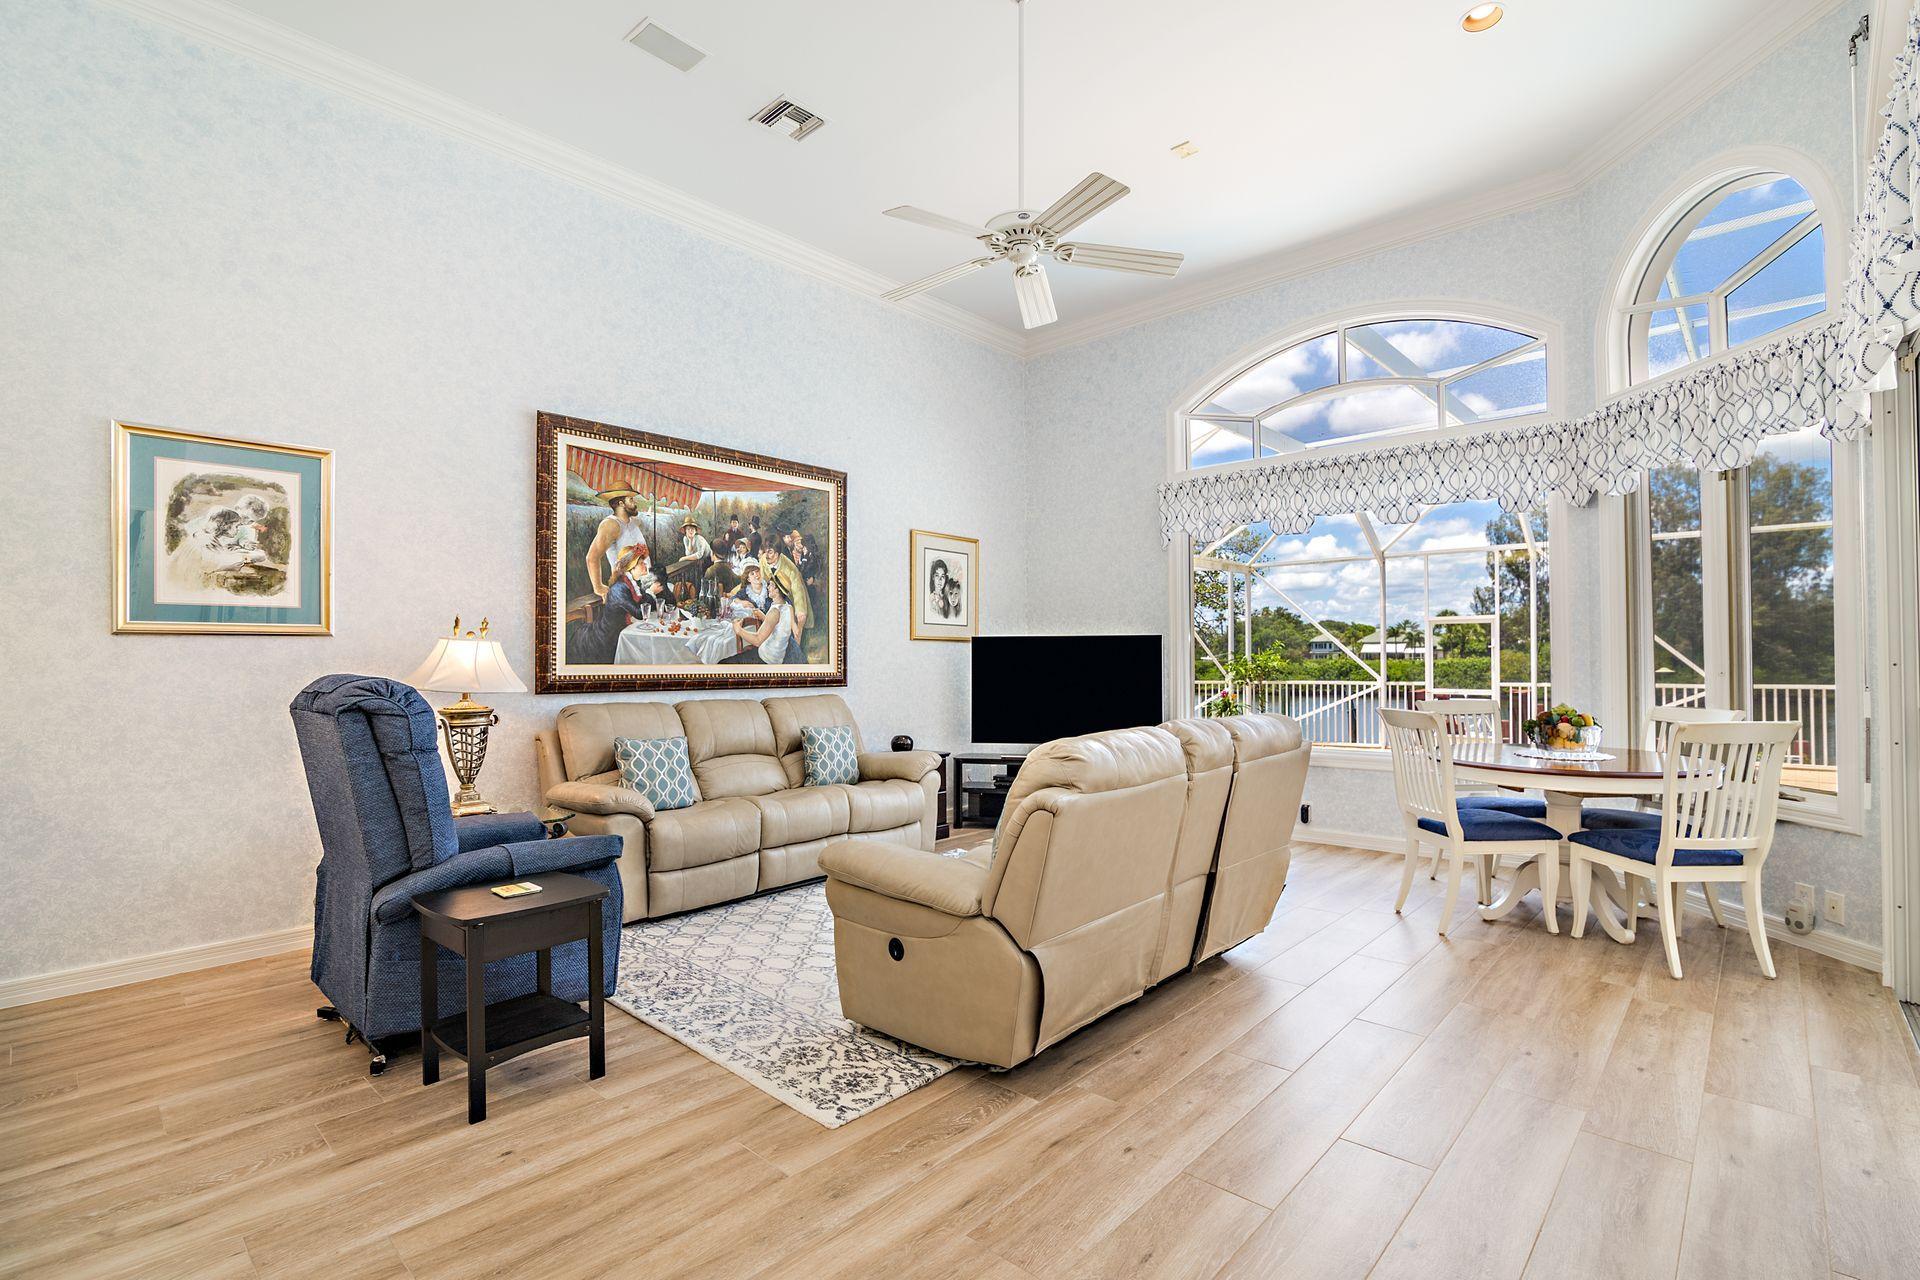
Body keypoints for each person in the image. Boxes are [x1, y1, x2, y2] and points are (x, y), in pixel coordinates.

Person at [567, 543, 665, 664]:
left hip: (622, 632)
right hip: (605, 639)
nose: (645, 565)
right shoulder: (619, 588)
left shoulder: (633, 583)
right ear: (631, 567)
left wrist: (651, 594)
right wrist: (651, 592)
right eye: (641, 563)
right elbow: (640, 613)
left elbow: (642, 604)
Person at [585, 487, 648, 602]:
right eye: (631, 500)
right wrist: (598, 587)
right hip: (627, 588)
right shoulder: (611, 524)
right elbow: (592, 558)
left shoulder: (633, 522)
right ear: (621, 503)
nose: (635, 503)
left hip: (644, 584)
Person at [721, 576, 798, 665]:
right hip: (777, 658)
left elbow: (757, 640)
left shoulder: (774, 611)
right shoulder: (788, 607)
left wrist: (738, 630)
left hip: (765, 658)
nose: (768, 587)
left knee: (722, 663)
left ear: (777, 590)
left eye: (771, 585)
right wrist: (764, 617)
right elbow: (778, 627)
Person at [665, 517, 712, 605]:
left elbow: (699, 555)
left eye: (692, 529)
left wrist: (683, 559)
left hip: (708, 560)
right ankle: (693, 598)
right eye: (688, 529)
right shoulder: (686, 539)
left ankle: (703, 600)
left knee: (703, 581)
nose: (690, 531)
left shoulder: (699, 539)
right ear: (685, 530)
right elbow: (688, 553)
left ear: (695, 530)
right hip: (698, 562)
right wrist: (690, 541)